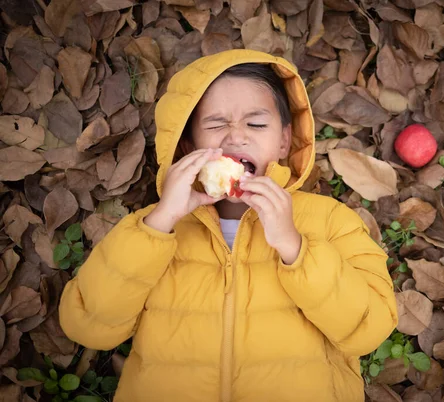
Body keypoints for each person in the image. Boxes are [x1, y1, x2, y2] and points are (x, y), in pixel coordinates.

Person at [59, 49, 398, 402]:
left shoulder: (329, 220)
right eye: (216, 124)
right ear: (188, 146)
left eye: (255, 124)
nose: (236, 136)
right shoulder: (152, 230)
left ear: (284, 141)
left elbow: (369, 330)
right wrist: (159, 222)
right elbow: (87, 326)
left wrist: (295, 247)